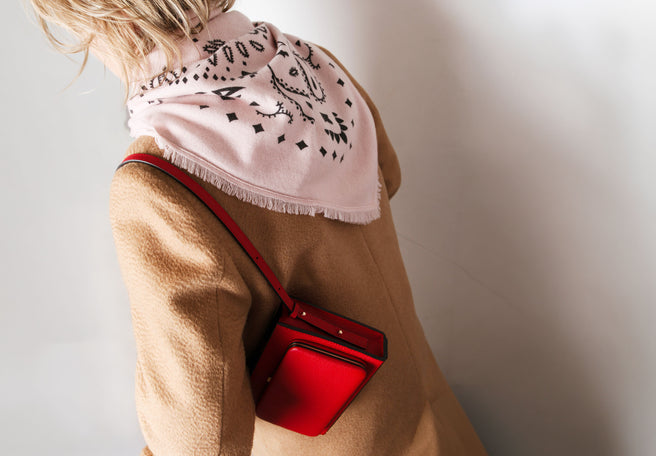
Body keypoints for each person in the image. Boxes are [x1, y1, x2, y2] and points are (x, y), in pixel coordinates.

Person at [28, 1, 489, 454]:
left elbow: (200, 440)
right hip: (432, 416)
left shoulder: (158, 184)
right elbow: (387, 179)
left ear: (103, 17)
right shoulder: (314, 64)